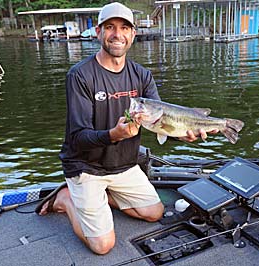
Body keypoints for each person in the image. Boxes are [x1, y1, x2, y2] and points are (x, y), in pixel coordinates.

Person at [35, 2, 214, 255]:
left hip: (124, 165)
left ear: (133, 34)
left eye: (124, 28)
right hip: (86, 167)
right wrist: (113, 135)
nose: (117, 34)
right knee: (102, 246)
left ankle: (100, 197)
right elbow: (77, 138)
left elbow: (162, 122)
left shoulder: (142, 76)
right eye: (110, 27)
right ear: (98, 32)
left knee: (154, 212)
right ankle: (66, 198)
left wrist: (184, 135)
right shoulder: (80, 76)